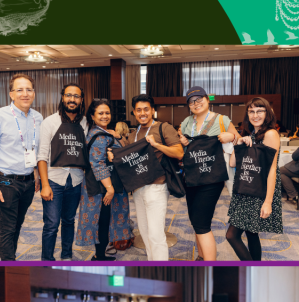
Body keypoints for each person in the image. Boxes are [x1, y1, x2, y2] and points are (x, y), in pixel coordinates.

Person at [0, 73, 42, 261]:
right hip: (6, 181)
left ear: (34, 93)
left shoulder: (38, 118)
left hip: (29, 181)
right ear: (11, 94)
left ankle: (11, 257)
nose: (25, 94)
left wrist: (37, 175)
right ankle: (8, 263)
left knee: (18, 224)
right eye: (19, 90)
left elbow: (35, 149)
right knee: (7, 228)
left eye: (29, 89)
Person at [118, 95, 184, 261]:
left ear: (153, 110)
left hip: (157, 187)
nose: (142, 113)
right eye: (138, 110)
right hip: (138, 189)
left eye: (146, 109)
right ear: (134, 112)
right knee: (145, 233)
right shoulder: (133, 135)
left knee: (156, 235)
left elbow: (179, 152)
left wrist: (157, 145)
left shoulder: (164, 128)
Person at [178, 86, 239, 261]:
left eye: (199, 99)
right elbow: (182, 149)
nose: (196, 103)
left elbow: (239, 141)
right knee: (194, 219)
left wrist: (232, 137)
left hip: (212, 177)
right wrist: (182, 141)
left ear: (207, 99)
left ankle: (209, 265)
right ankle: (201, 256)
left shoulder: (222, 120)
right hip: (191, 177)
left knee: (202, 223)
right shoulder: (186, 123)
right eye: (191, 101)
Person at [37, 83, 89, 261]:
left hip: (75, 180)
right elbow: (42, 156)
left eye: (76, 96)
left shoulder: (85, 123)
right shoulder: (50, 122)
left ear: (81, 100)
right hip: (54, 180)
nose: (72, 99)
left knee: (69, 220)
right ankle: (47, 259)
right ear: (62, 97)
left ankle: (67, 255)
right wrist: (44, 184)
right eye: (69, 95)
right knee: (51, 224)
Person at [227, 98, 283, 260]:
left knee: (232, 235)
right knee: (251, 233)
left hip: (258, 191)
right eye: (251, 111)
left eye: (260, 111)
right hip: (246, 187)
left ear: (268, 113)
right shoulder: (251, 133)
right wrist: (239, 142)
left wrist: (268, 202)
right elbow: (232, 163)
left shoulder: (270, 134)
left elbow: (272, 169)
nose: (255, 115)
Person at [77, 99, 131, 261]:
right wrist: (110, 188)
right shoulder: (100, 137)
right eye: (100, 113)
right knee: (103, 220)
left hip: (99, 184)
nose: (105, 116)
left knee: (103, 219)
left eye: (107, 113)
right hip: (101, 186)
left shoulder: (98, 132)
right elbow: (97, 163)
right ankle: (99, 256)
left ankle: (99, 254)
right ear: (92, 116)